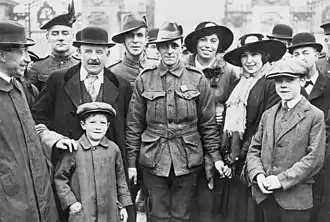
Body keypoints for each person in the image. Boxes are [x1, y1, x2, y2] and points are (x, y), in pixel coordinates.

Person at [125, 21, 230, 222]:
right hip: (153, 158)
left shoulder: (197, 79)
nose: (170, 51)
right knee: (158, 214)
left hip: (188, 158)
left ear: (181, 47)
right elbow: (134, 125)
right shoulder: (145, 79)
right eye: (165, 46)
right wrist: (131, 162)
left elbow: (207, 125)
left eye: (174, 45)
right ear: (158, 48)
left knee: (182, 215)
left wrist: (215, 157)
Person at [32, 26, 134, 221]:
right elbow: (37, 120)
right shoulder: (58, 80)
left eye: (99, 52)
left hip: (108, 172)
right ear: (78, 52)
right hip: (70, 171)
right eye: (88, 51)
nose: (93, 57)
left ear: (108, 54)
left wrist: (130, 166)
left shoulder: (122, 85)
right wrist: (54, 139)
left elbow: (130, 130)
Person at [0, 20, 78, 222]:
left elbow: (29, 131)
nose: (27, 59)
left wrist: (51, 139)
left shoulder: (18, 88)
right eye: (22, 52)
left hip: (36, 193)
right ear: (1, 55)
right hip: (11, 201)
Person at [247, 58, 326, 222]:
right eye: (278, 81)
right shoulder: (268, 114)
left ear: (302, 81)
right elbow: (254, 149)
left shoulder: (314, 115)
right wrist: (258, 175)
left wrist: (281, 180)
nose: (283, 85)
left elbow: (314, 159)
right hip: (266, 196)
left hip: (295, 201)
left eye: (290, 80)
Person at [221, 33, 286, 221]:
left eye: (255, 55)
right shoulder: (237, 84)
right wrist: (228, 155)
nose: (249, 61)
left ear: (264, 56)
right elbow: (228, 122)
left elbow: (264, 125)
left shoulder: (271, 83)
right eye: (244, 56)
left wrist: (240, 153)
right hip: (235, 157)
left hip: (257, 155)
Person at [183, 21, 239, 222]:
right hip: (185, 142)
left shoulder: (231, 72)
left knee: (211, 200)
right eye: (203, 40)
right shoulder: (181, 66)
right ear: (195, 43)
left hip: (216, 143)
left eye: (213, 41)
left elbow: (236, 108)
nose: (208, 45)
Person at [55, 102, 132, 222]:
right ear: (83, 125)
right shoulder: (74, 149)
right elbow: (60, 178)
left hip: (109, 213)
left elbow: (121, 181)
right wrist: (71, 202)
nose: (98, 127)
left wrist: (123, 206)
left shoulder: (114, 149)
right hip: (83, 214)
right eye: (92, 122)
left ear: (108, 126)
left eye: (102, 123)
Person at [26, 2, 79, 91]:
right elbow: (31, 99)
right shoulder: (36, 67)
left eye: (65, 33)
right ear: (48, 37)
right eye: (55, 34)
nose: (60, 38)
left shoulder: (81, 65)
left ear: (72, 37)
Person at [108, 12, 159, 89]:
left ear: (146, 40)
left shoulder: (158, 67)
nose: (135, 40)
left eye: (139, 35)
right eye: (130, 36)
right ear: (123, 41)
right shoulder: (113, 72)